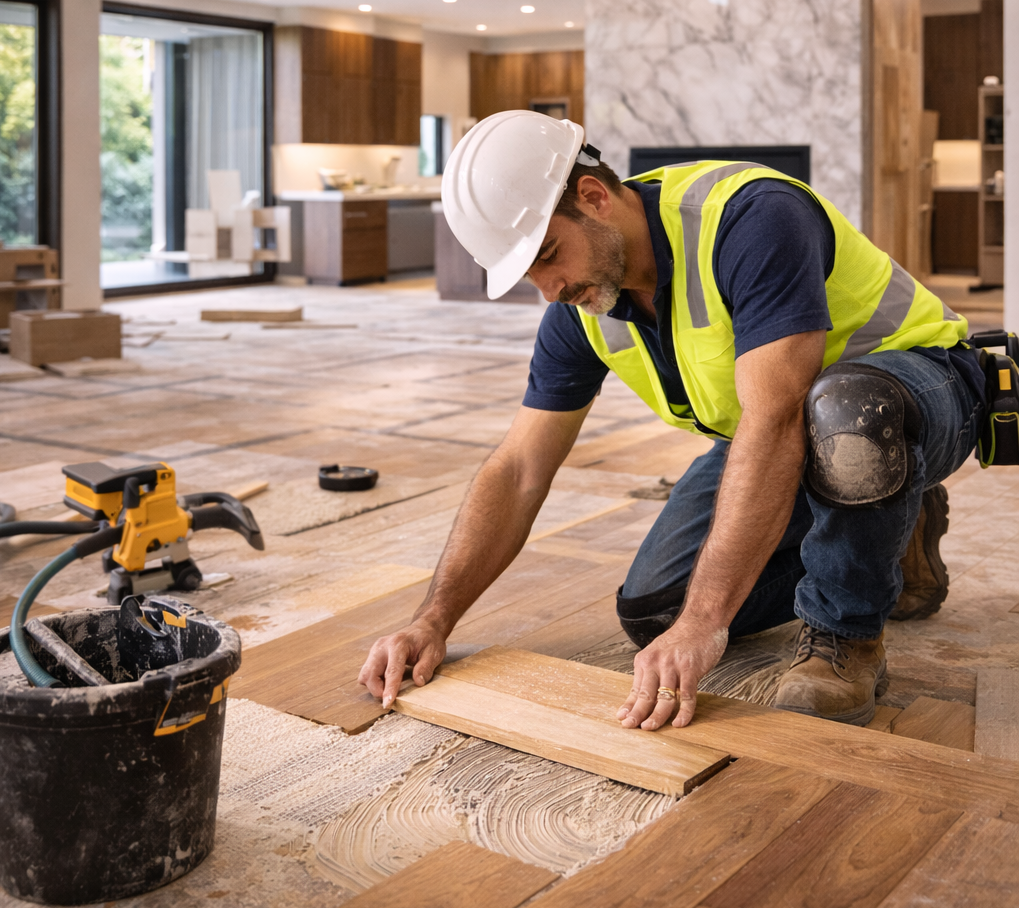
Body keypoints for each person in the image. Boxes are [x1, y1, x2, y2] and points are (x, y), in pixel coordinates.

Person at [359, 111, 986, 728]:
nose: (549, 288)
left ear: (594, 196)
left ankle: (844, 635)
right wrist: (432, 620)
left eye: (549, 255)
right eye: (530, 274)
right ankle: (888, 528)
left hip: (920, 389)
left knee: (844, 417)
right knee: (657, 612)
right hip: (784, 433)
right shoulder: (582, 307)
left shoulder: (750, 218)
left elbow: (773, 422)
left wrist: (705, 621)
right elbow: (521, 467)